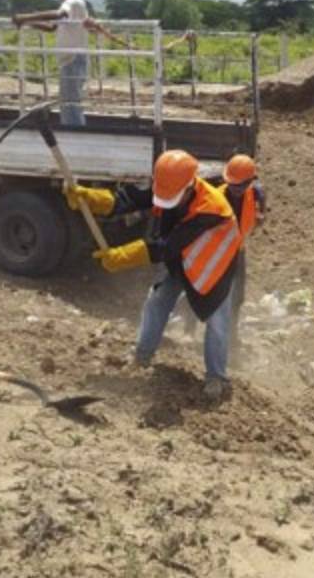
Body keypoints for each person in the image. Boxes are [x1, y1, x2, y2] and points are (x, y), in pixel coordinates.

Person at [66, 150, 243, 399]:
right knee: (157, 301)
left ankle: (216, 378)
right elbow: (130, 198)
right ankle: (142, 356)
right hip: (181, 259)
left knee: (217, 323)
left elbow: (167, 246)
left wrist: (122, 257)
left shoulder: (210, 208)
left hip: (213, 267)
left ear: (191, 185)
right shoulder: (168, 183)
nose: (165, 199)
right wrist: (95, 199)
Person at [12, 0, 91, 126]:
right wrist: (28, 22)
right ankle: (75, 136)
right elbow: (52, 27)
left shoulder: (72, 2)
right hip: (72, 59)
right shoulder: (75, 3)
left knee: (70, 105)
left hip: (72, 60)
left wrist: (25, 17)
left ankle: (75, 138)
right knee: (70, 103)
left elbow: (58, 15)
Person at [217, 155, 265, 351]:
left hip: (237, 251)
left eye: (239, 185)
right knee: (210, 292)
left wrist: (260, 216)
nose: (235, 189)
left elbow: (261, 215)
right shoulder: (216, 197)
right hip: (215, 253)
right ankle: (190, 323)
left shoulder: (257, 194)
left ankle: (231, 336)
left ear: (250, 182)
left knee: (237, 297)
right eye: (231, 184)